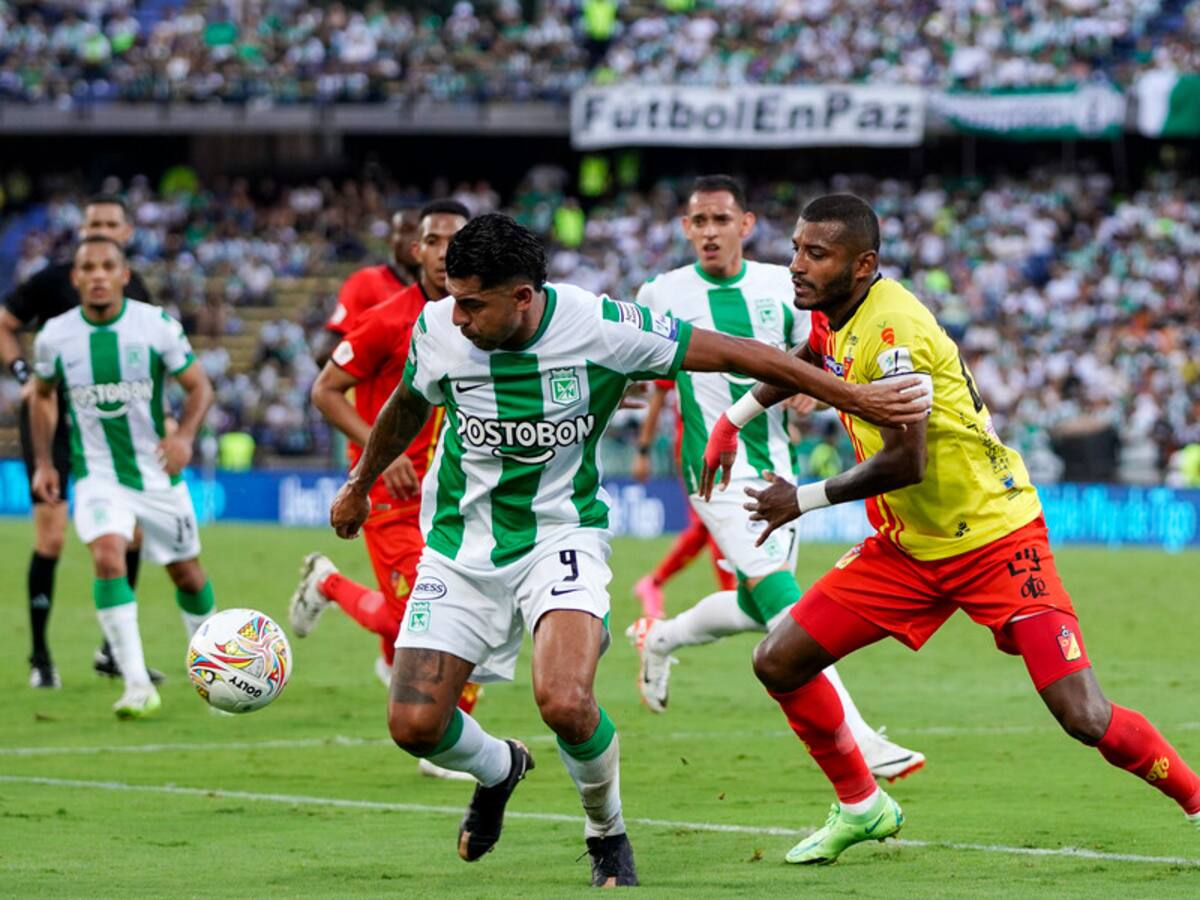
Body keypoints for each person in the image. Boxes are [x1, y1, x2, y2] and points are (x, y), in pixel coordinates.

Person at [327, 213, 930, 887]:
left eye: (473, 304)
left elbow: (741, 354)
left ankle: (606, 833)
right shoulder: (438, 326)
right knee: (413, 725)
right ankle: (500, 768)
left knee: (565, 702)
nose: (458, 317)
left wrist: (854, 397)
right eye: (454, 300)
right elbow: (408, 403)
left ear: (522, 296)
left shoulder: (601, 326)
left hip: (562, 535)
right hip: (457, 545)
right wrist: (359, 484)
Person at [701, 193, 1200, 865]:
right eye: (796, 248)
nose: (796, 264)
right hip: (909, 548)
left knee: (1083, 716)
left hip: (996, 539)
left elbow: (906, 460)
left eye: (815, 254)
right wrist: (733, 419)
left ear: (862, 264)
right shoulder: (834, 311)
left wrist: (804, 498)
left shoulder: (895, 332)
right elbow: (811, 354)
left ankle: (1197, 800)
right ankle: (863, 806)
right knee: (779, 660)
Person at [629, 175, 924, 782]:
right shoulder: (661, 293)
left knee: (753, 603)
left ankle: (660, 638)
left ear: (746, 224)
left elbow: (810, 353)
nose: (710, 232)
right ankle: (861, 738)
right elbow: (637, 368)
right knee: (780, 597)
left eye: (721, 219)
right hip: (714, 470)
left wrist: (808, 393)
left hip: (776, 467)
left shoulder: (779, 284)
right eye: (699, 221)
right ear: (686, 229)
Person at [290, 200, 481, 779]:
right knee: (417, 621)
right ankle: (328, 582)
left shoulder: (483, 319)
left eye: (455, 240)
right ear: (415, 250)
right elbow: (325, 391)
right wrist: (381, 451)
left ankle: (449, 734)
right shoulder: (388, 319)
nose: (444, 251)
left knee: (473, 612)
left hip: (458, 494)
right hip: (392, 495)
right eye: (433, 240)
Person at [28, 236, 217, 718]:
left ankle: (217, 675)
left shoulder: (155, 326)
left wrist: (184, 437)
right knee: (108, 555)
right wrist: (45, 463)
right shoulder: (55, 336)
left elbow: (199, 386)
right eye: (88, 267)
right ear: (75, 278)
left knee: (187, 574)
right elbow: (41, 394)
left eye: (107, 266)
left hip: (156, 474)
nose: (98, 275)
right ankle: (136, 685)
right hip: (97, 476)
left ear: (123, 275)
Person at [0, 193, 162, 688]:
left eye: (112, 225)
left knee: (133, 534)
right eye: (95, 224)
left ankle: (114, 652)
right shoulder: (53, 280)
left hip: (112, 428)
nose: (102, 232)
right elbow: (5, 324)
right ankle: (40, 656)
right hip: (53, 423)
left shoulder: (137, 290)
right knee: (51, 535)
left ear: (127, 234)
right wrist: (24, 372)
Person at [629, 379, 735, 620]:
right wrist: (643, 451)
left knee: (706, 523)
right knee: (714, 518)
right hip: (693, 448)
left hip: (731, 445)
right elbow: (657, 399)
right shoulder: (687, 356)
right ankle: (730, 593)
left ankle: (653, 583)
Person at [318, 207, 421, 362]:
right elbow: (325, 354)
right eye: (406, 231)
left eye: (422, 233)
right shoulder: (367, 282)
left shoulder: (442, 290)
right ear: (390, 240)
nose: (415, 239)